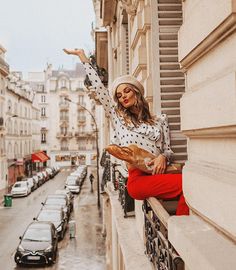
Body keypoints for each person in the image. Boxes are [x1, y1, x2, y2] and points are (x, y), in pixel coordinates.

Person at [63, 48, 189, 215]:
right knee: (187, 185)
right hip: (138, 179)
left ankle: (178, 232)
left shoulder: (160, 120)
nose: (123, 96)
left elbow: (167, 150)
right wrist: (82, 57)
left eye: (127, 91)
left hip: (159, 173)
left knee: (189, 185)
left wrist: (162, 157)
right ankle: (179, 237)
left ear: (136, 92)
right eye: (119, 95)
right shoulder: (119, 120)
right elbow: (100, 91)